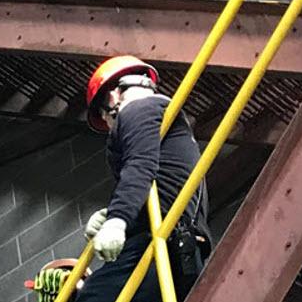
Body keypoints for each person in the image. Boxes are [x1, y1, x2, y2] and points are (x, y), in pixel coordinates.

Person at [75, 56, 212, 302]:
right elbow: (161, 182)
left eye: (103, 116)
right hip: (181, 246)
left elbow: (140, 166)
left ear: (113, 96)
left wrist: (118, 220)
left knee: (92, 297)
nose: (107, 123)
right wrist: (111, 214)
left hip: (159, 243)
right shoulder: (163, 118)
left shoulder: (137, 110)